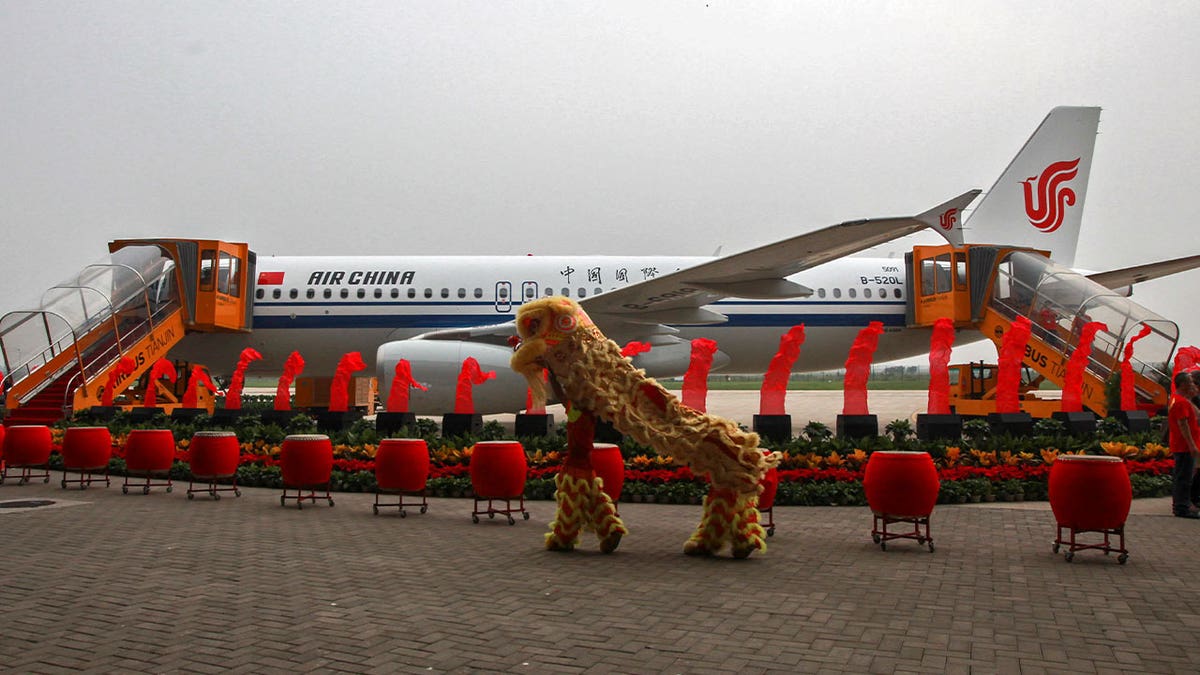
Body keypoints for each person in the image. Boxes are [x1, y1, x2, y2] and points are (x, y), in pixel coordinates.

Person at [1168, 370, 1200, 518]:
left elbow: (1196, 415)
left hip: (1182, 445)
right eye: (1190, 382)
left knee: (1183, 476)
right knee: (1184, 478)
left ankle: (1182, 505)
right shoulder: (1180, 403)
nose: (1193, 385)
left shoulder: (1179, 399)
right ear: (1183, 384)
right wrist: (1192, 445)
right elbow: (1183, 425)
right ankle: (1182, 507)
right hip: (1184, 446)